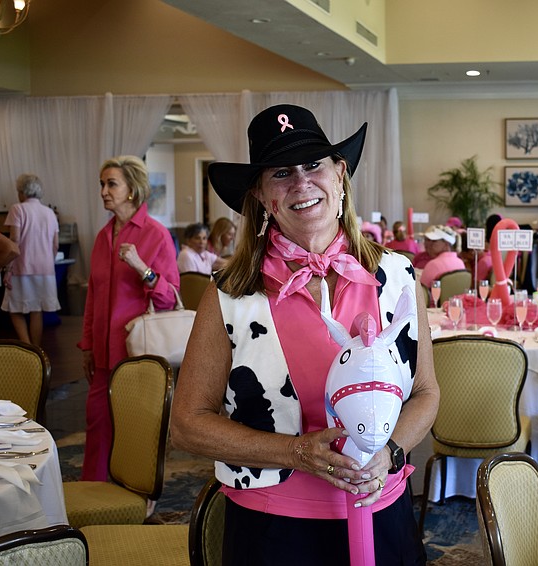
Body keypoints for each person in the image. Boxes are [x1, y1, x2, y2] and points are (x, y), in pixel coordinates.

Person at [169, 104, 438, 565]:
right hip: (274, 529)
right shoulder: (230, 294)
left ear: (340, 174)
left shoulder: (398, 276)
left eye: (314, 164)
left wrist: (391, 451)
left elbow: (427, 392)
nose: (301, 182)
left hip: (382, 512)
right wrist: (295, 452)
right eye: (281, 173)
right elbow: (188, 424)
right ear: (260, 195)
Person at [78, 156, 180, 481]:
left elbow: (169, 298)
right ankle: (92, 491)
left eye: (112, 184)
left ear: (132, 189)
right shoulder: (102, 237)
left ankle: (138, 491)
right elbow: (93, 296)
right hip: (103, 353)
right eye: (102, 184)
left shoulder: (156, 235)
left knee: (136, 427)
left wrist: (142, 268)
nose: (103, 191)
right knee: (97, 421)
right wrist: (87, 344)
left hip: (137, 352)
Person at [0, 174, 60, 347]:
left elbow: (14, 241)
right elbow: (55, 244)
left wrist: (8, 269)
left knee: (14, 309)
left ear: (22, 192)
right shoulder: (50, 213)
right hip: (45, 270)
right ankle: (36, 349)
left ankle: (26, 346)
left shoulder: (17, 209)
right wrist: (48, 262)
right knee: (36, 309)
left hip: (22, 268)